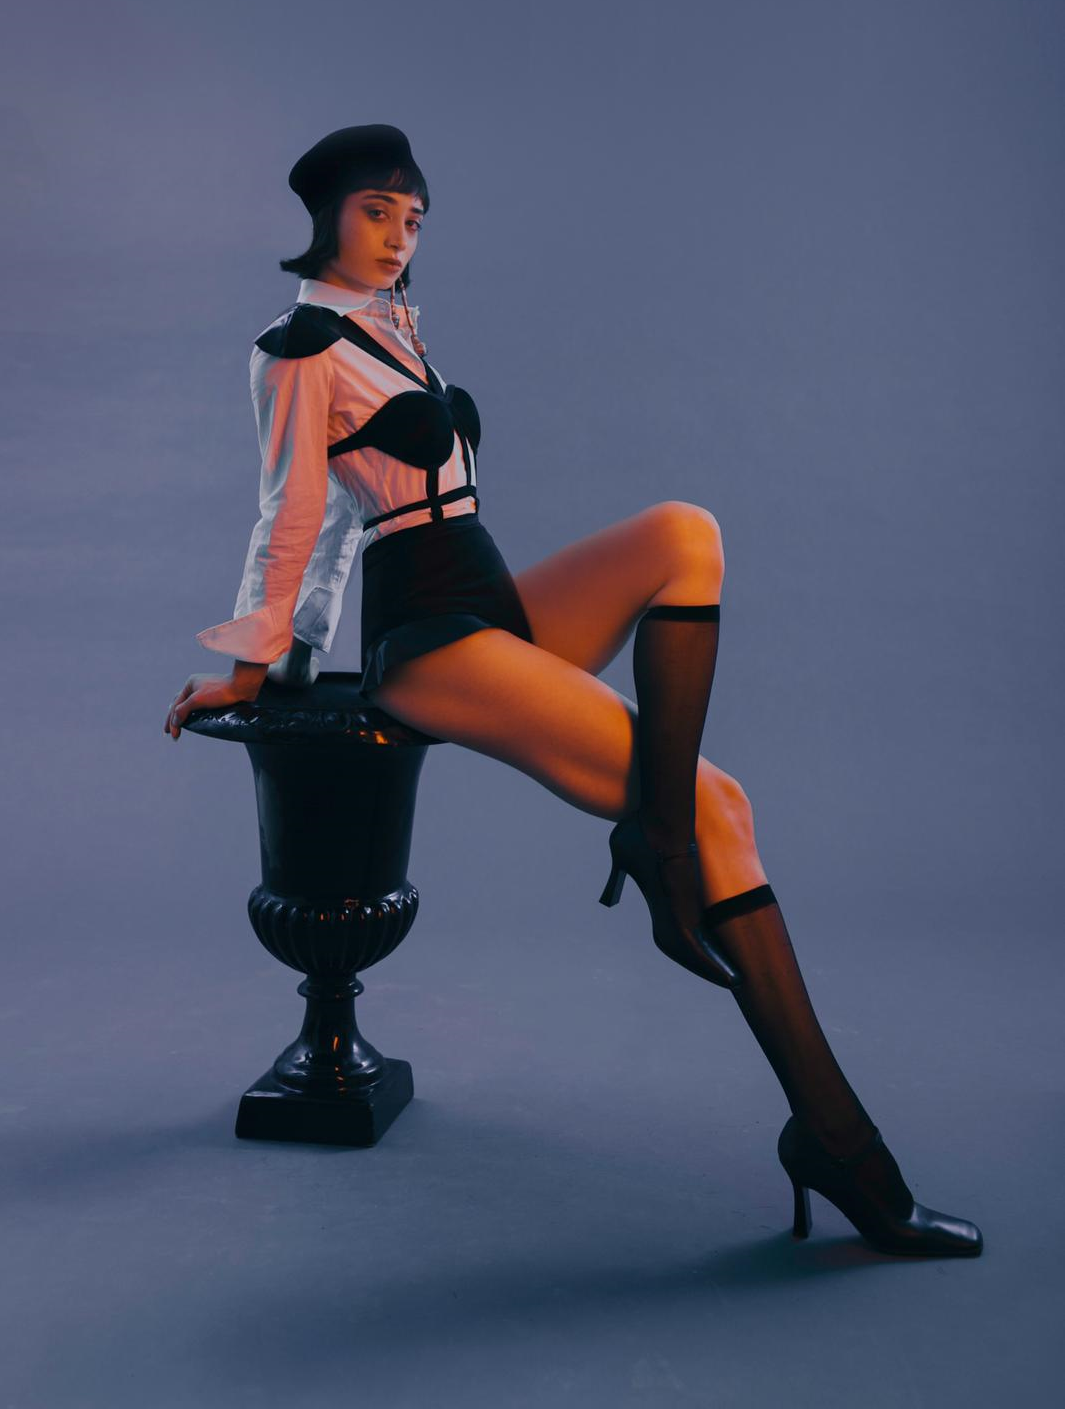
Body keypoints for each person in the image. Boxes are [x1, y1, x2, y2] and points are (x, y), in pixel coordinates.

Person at [164, 123, 983, 1259]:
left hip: (487, 594)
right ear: (324, 215)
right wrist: (266, 666)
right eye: (375, 211)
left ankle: (652, 834)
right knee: (723, 808)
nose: (399, 233)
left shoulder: (395, 329)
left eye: (414, 216)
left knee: (683, 534)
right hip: (430, 639)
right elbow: (301, 518)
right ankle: (841, 1143)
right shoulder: (298, 346)